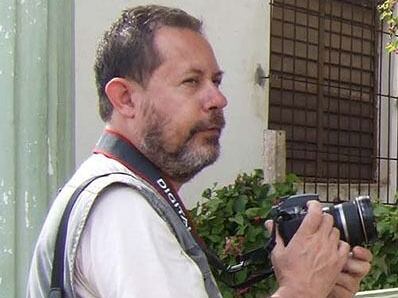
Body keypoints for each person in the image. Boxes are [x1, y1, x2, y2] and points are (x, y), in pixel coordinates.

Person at [26, 5, 372, 298]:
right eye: (191, 81)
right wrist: (299, 290)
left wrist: (315, 287)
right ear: (125, 98)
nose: (218, 99)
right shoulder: (122, 210)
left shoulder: (118, 194)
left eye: (216, 81)